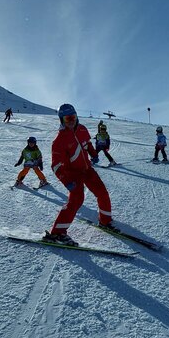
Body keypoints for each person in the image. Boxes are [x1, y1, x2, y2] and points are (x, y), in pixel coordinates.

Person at [44, 104, 114, 245]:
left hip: (87, 169)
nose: (71, 120)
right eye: (68, 118)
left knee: (102, 192)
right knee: (76, 200)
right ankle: (57, 234)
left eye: (73, 117)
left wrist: (93, 155)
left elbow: (87, 144)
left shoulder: (82, 129)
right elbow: (56, 166)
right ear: (61, 120)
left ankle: (105, 221)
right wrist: (66, 181)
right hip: (72, 174)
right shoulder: (59, 141)